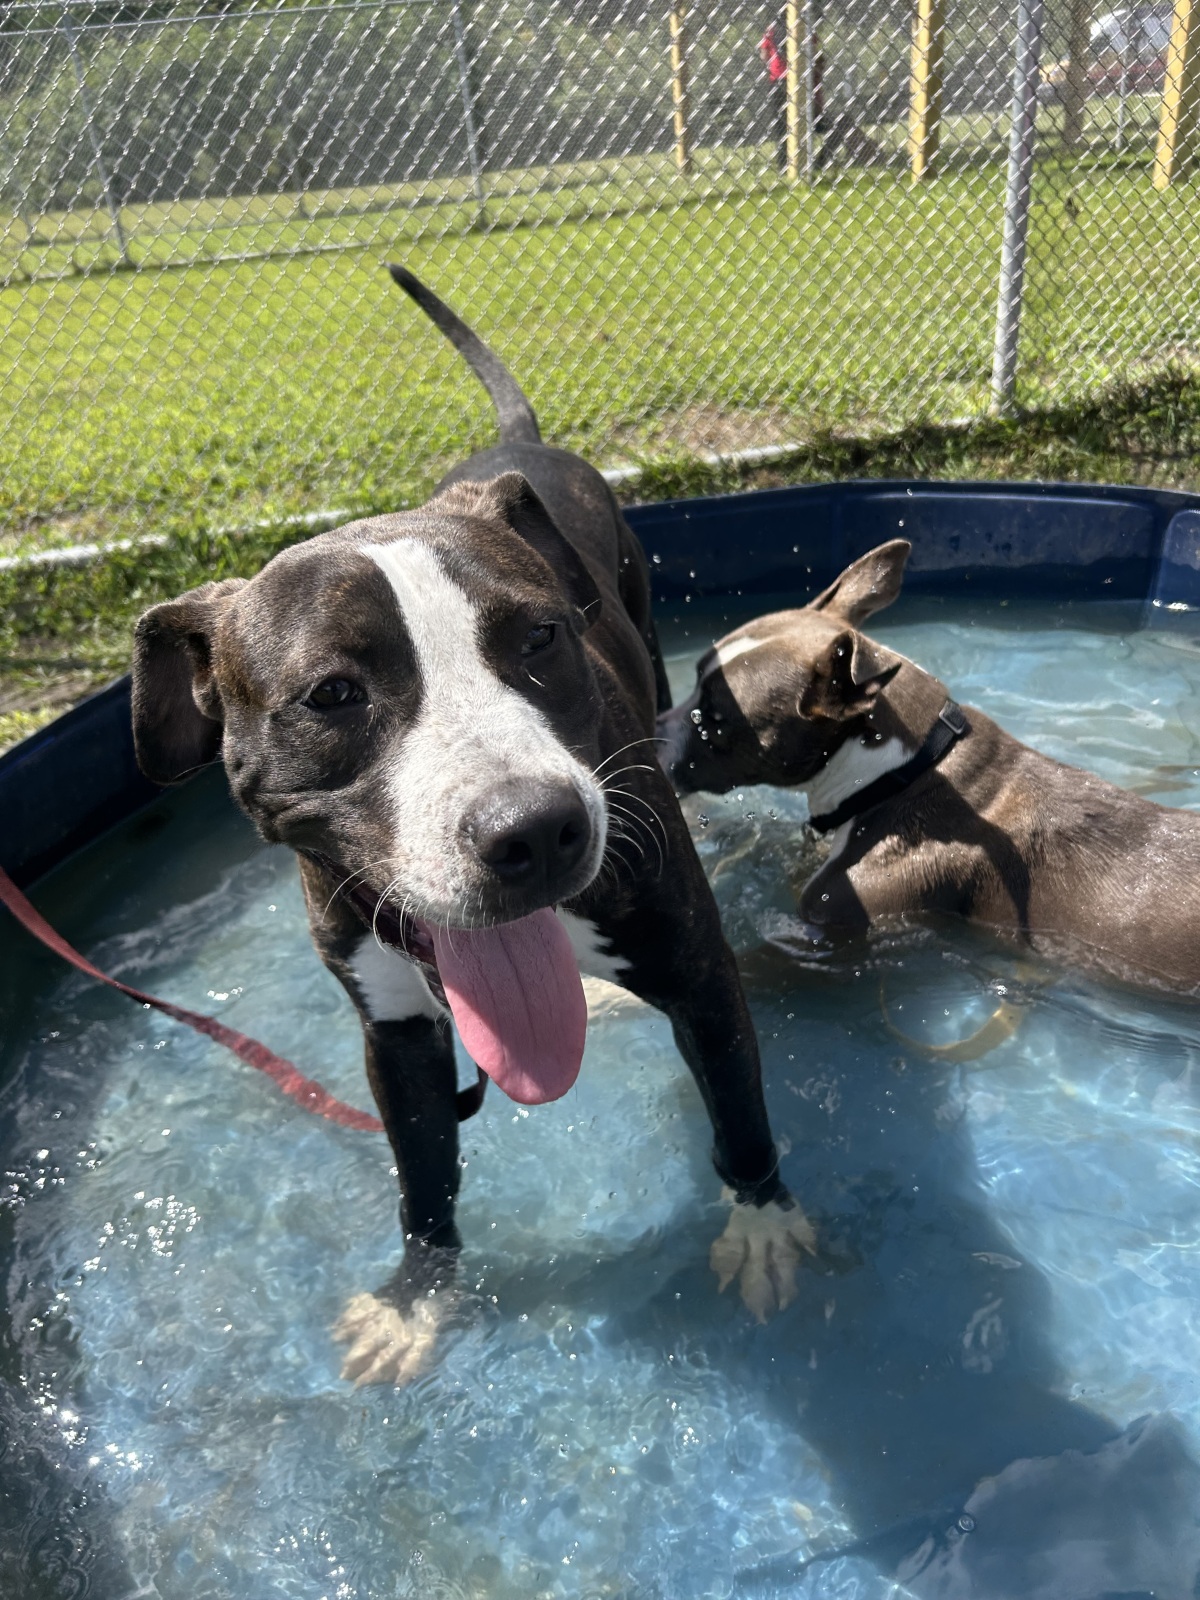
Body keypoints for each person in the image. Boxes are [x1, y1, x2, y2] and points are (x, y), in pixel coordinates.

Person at [759, 20, 789, 172]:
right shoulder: (800, 25)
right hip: (794, 79)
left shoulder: (771, 29)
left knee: (780, 124)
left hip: (776, 79)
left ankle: (783, 162)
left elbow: (764, 55)